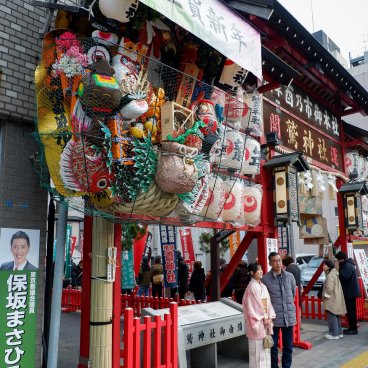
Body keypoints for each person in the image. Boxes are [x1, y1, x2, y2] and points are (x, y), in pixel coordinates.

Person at [262, 252, 296, 368]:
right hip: (274, 319)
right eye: (275, 261)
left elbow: (293, 294)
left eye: (279, 260)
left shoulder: (290, 276)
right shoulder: (265, 279)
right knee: (273, 347)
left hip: (288, 317)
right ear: (270, 263)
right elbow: (264, 301)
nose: (278, 263)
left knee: (288, 347)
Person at [243, 263, 276, 368]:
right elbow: (252, 307)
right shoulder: (251, 288)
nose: (261, 271)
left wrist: (270, 317)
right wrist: (264, 318)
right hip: (257, 323)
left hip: (265, 322)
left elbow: (269, 303)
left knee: (265, 351)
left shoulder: (263, 286)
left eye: (262, 269)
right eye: (259, 270)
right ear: (252, 273)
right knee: (257, 353)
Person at [335, 251, 360, 335]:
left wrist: (337, 270)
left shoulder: (347, 266)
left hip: (350, 292)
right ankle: (352, 327)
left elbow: (343, 277)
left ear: (341, 259)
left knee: (351, 311)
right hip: (351, 291)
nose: (337, 262)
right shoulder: (349, 264)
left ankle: (353, 329)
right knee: (351, 310)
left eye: (338, 260)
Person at [321, 259, 346, 339]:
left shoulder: (330, 275)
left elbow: (329, 288)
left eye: (324, 265)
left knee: (331, 315)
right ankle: (339, 332)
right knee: (336, 315)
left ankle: (334, 334)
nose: (323, 267)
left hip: (331, 299)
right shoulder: (334, 273)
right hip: (336, 297)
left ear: (328, 266)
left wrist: (324, 296)